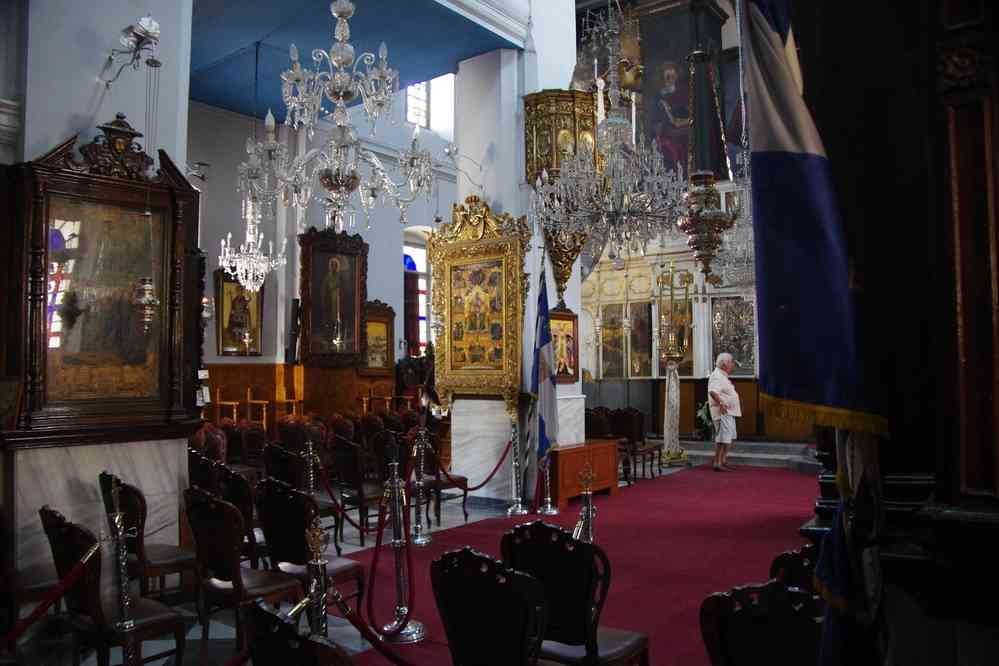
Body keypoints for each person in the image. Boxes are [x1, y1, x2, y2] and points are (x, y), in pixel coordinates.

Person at [708, 352, 742, 471]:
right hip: (722, 412)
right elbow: (713, 391)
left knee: (729, 437)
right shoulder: (717, 375)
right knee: (723, 438)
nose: (733, 365)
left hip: (728, 412)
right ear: (724, 364)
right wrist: (722, 403)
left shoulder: (722, 375)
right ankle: (717, 463)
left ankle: (722, 461)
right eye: (731, 363)